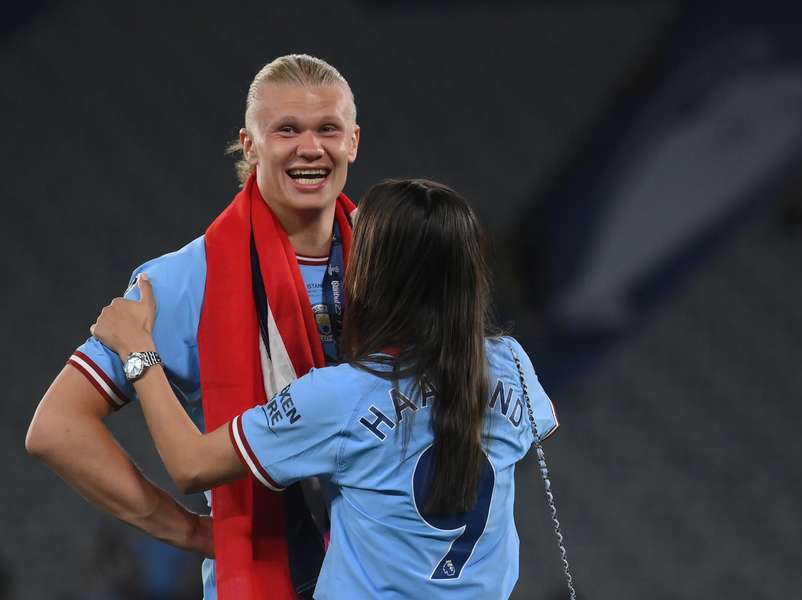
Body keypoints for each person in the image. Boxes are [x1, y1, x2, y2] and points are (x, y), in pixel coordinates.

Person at [89, 178, 559, 599]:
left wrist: (138, 352)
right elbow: (526, 433)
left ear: (373, 276)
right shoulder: (509, 361)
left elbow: (191, 465)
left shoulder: (342, 395)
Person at [25, 54, 360, 599]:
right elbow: (57, 429)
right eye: (286, 130)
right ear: (250, 146)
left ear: (353, 141)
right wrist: (188, 530)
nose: (310, 148)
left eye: (328, 129)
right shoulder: (188, 279)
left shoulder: (396, 259)